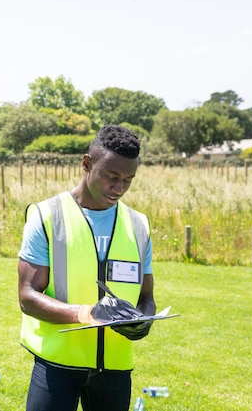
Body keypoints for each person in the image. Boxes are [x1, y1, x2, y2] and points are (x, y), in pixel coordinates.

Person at [17, 125, 156, 411]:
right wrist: (87, 313)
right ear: (86, 164)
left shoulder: (139, 225)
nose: (119, 188)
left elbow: (146, 298)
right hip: (57, 364)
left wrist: (145, 321)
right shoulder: (47, 216)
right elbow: (28, 295)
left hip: (116, 369)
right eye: (112, 177)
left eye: (128, 179)